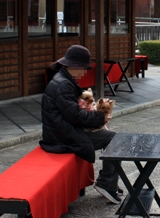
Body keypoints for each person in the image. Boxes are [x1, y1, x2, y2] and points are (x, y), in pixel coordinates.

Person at [40, 45, 122, 203]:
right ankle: (106, 183)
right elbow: (76, 116)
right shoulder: (63, 84)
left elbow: (72, 113)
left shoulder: (62, 79)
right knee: (114, 139)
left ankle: (110, 181)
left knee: (112, 137)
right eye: (84, 68)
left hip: (60, 132)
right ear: (74, 66)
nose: (85, 71)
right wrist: (100, 118)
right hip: (63, 137)